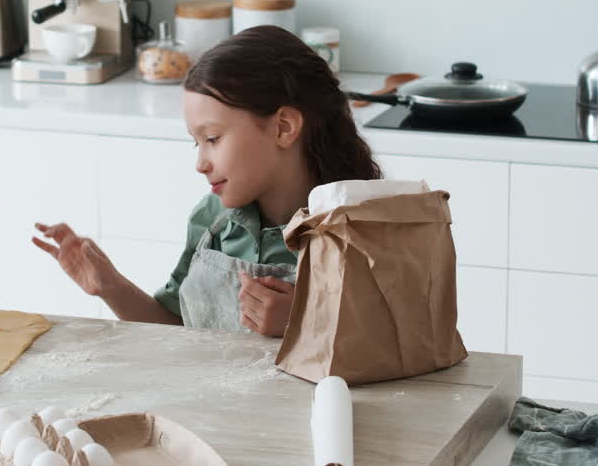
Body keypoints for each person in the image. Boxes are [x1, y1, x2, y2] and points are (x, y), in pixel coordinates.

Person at [33, 25, 382, 335]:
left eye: (213, 139)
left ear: (283, 127)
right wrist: (110, 286)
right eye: (196, 142)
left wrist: (303, 323)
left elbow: (400, 349)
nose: (200, 163)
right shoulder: (211, 221)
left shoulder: (364, 229)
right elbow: (176, 334)